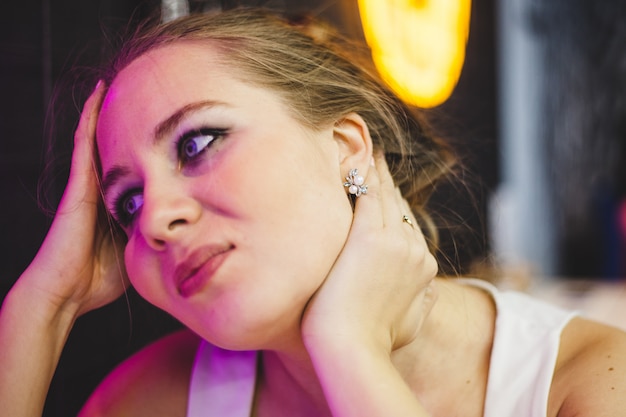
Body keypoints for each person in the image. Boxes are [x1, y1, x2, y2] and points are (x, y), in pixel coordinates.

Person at [1, 8, 625, 417]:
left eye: (197, 143)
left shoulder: (595, 383)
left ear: (346, 147)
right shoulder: (148, 403)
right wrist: (41, 306)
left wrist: (348, 348)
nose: (156, 218)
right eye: (126, 204)